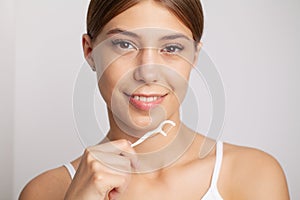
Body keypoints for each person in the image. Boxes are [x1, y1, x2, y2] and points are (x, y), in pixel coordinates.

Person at [19, 0, 290, 199]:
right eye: (124, 44)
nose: (148, 72)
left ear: (194, 57)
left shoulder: (254, 175)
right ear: (90, 51)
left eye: (171, 48)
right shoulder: (45, 192)